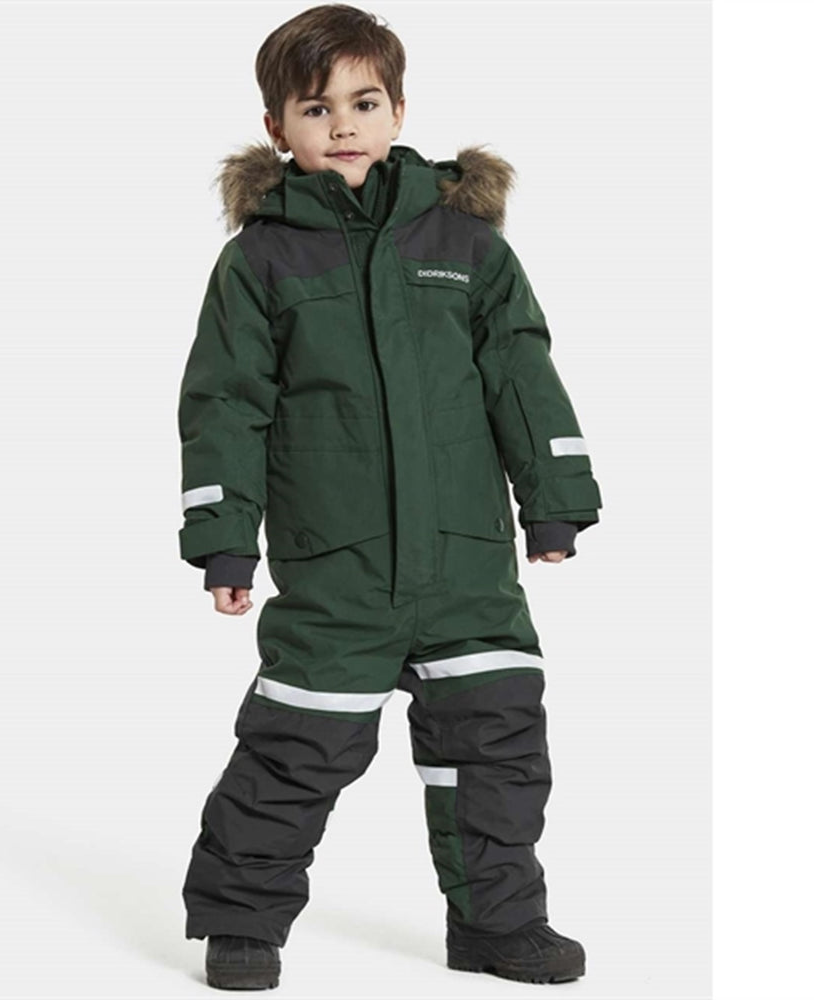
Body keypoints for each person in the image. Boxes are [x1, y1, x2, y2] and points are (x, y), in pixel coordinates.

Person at [175, 4, 603, 990]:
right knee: (295, 748)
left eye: (364, 103)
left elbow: (520, 374)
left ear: (399, 110)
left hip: (466, 560)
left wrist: (555, 499)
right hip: (339, 565)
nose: (343, 125)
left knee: (496, 744)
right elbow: (225, 404)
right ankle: (241, 921)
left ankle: (498, 923)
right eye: (315, 108)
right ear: (278, 127)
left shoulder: (468, 246)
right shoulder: (262, 260)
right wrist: (224, 539)